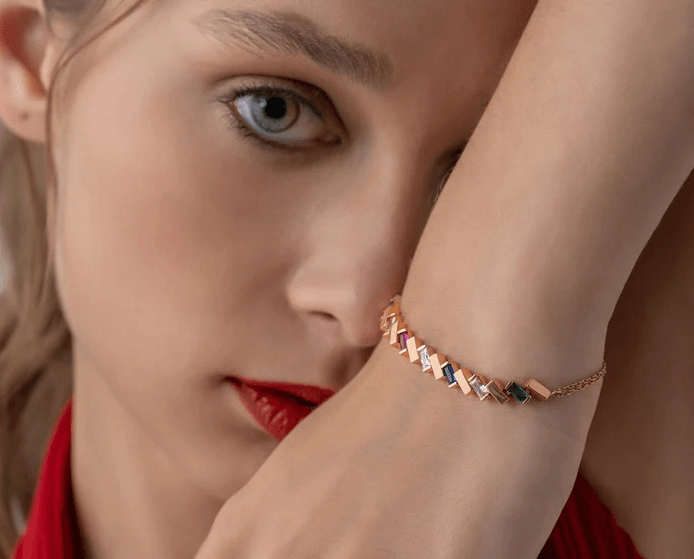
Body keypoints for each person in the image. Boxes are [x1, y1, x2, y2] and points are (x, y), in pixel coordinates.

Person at [0, 0, 692, 558]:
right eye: (276, 110)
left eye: (483, 172)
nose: (369, 306)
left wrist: (473, 362)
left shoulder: (628, 432)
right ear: (27, 54)